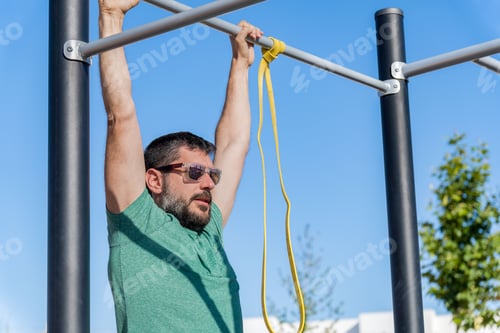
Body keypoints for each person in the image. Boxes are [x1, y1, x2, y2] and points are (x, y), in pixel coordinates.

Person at [98, 0, 263, 332]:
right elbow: (121, 116)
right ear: (154, 181)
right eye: (195, 172)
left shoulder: (210, 232)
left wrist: (241, 64)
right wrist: (111, 17)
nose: (209, 184)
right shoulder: (137, 221)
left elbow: (233, 145)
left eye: (211, 174)